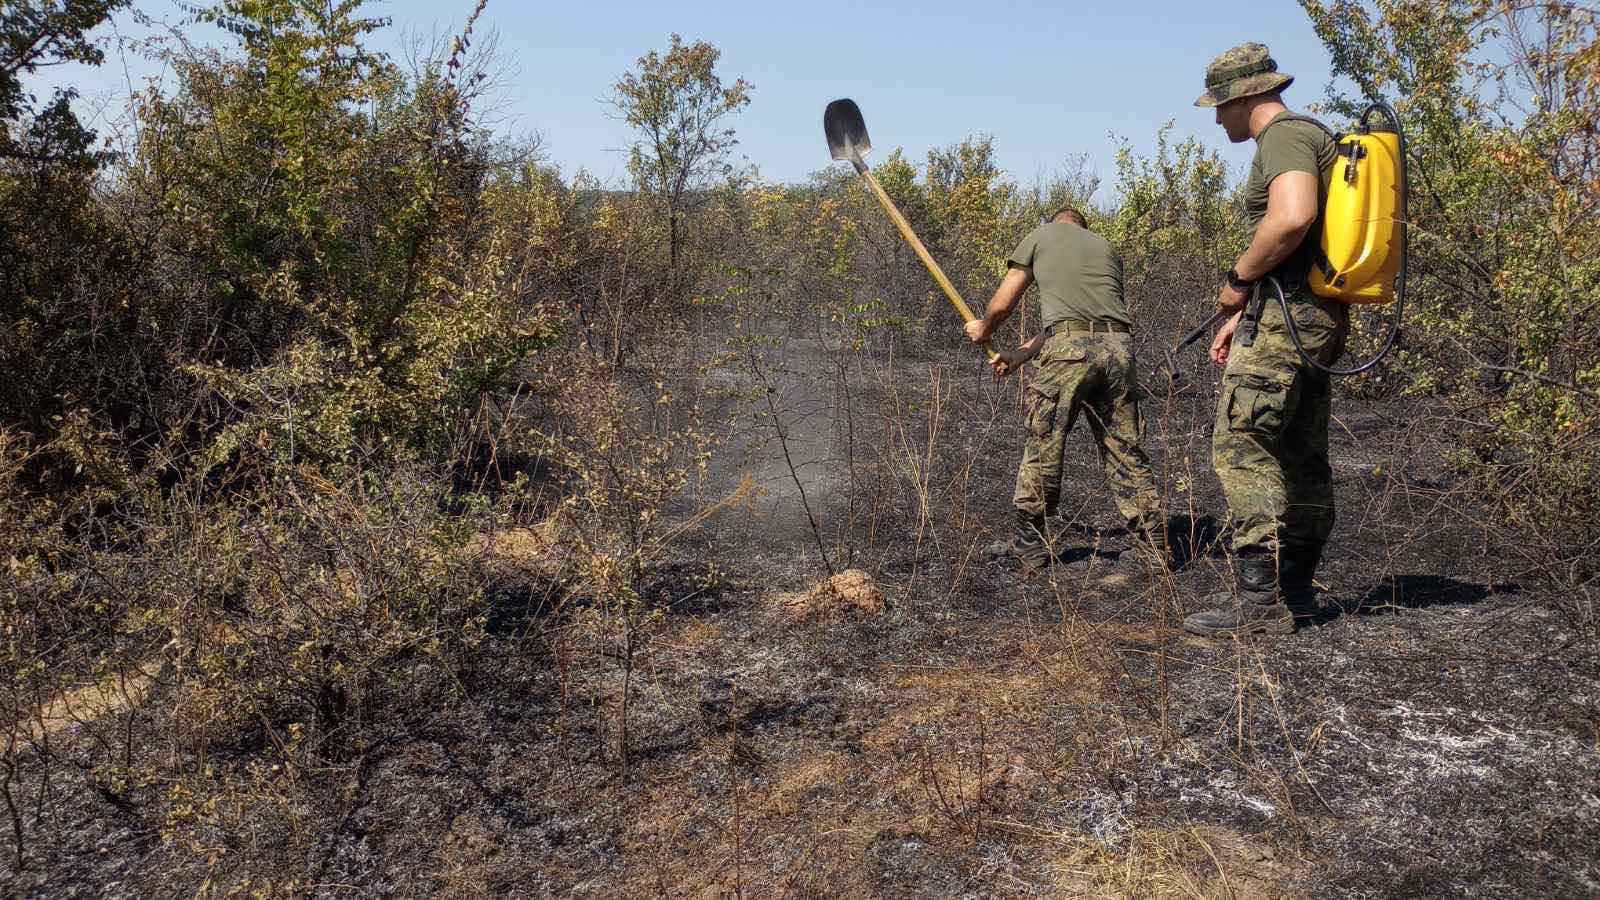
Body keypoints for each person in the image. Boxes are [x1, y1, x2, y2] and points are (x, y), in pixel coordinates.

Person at [1182, 42, 1346, 636]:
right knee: (1300, 449)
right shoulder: (1310, 135)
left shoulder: (1282, 135)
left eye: (1218, 106)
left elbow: (1292, 217)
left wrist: (1237, 281)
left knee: (1242, 443)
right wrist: (1244, 313)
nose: (1217, 118)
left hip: (1291, 317)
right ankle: (1296, 591)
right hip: (1308, 315)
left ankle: (1261, 603)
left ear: (1241, 97)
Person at [964, 207, 1166, 569]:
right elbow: (1074, 324)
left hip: (1068, 354)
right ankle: (1152, 550)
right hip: (1119, 350)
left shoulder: (1041, 235)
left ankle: (1031, 547)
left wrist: (985, 329)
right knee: (1125, 447)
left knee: (1043, 442)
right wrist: (1018, 356)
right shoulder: (1105, 248)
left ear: (1057, 221)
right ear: (1082, 227)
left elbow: (1006, 301)